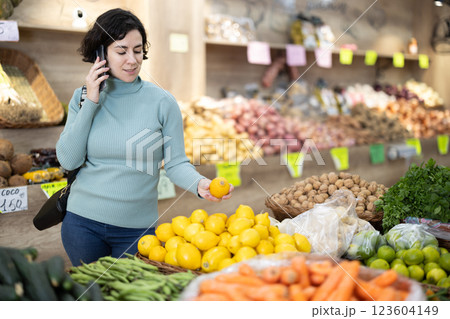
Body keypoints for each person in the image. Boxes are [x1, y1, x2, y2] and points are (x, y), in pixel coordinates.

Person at [56, 8, 233, 267]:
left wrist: (199, 184)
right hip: (82, 224)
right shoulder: (82, 97)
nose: (132, 60)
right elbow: (69, 160)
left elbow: (175, 164)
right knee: (92, 300)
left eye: (137, 50)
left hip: (137, 232)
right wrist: (92, 101)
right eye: (121, 51)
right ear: (101, 54)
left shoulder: (163, 102)